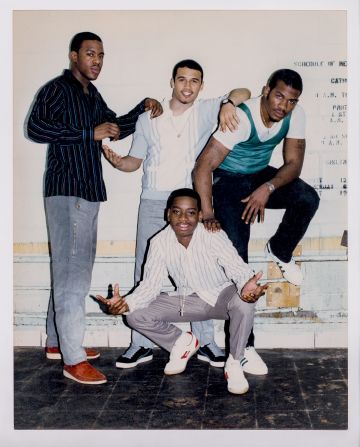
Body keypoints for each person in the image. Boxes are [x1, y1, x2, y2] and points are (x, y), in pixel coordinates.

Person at [102, 59, 262, 370]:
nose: (187, 86)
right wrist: (117, 161)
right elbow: (134, 161)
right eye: (182, 80)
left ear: (201, 85)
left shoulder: (207, 109)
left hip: (191, 202)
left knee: (200, 270)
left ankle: (207, 344)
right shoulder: (149, 117)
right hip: (153, 200)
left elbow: (245, 92)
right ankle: (141, 345)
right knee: (144, 270)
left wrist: (229, 102)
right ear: (172, 81)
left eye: (194, 81)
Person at [26, 31, 162, 385]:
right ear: (74, 56)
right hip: (66, 191)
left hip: (88, 192)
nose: (97, 61)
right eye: (90, 54)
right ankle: (73, 359)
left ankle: (57, 342)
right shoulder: (56, 88)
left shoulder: (91, 93)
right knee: (73, 277)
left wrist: (142, 109)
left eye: (101, 55)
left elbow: (112, 130)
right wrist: (89, 132)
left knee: (70, 270)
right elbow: (35, 128)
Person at [193, 69, 320, 370]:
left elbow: (293, 165)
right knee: (239, 257)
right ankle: (243, 347)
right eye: (279, 96)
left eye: (291, 100)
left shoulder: (295, 114)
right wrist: (208, 213)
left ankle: (280, 249)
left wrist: (269, 187)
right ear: (265, 91)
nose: (283, 106)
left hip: (258, 177)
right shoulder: (239, 119)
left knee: (307, 197)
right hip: (228, 180)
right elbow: (202, 168)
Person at [95, 188, 268, 395]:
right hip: (187, 301)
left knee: (245, 301)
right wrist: (125, 303)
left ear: (200, 215)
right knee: (133, 314)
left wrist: (246, 283)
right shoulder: (159, 242)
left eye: (191, 212)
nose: (183, 218)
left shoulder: (213, 235)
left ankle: (235, 363)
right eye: (177, 212)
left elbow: (236, 267)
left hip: (220, 297)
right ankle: (182, 342)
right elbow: (150, 285)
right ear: (168, 214)